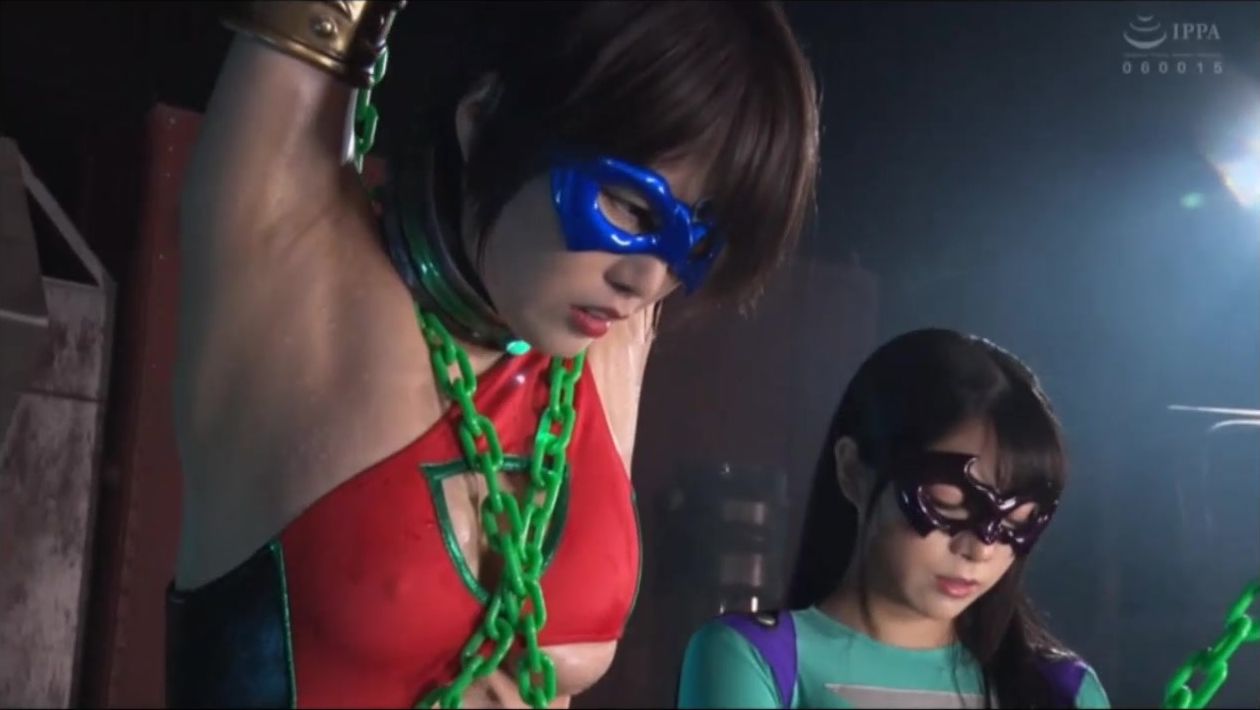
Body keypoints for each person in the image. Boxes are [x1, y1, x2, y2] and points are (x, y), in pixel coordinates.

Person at [165, 1, 819, 708]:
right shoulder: (294, 275)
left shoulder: (609, 337)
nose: (648, 281)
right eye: (629, 208)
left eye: (696, 242)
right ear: (483, 118)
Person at [678, 329, 1111, 708]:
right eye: (948, 504)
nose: (980, 549)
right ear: (852, 471)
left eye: (1017, 521)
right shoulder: (750, 657)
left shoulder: (1062, 691)